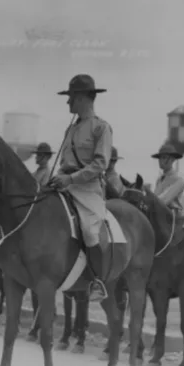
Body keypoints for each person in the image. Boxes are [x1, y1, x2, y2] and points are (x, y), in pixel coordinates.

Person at [49, 74, 113, 302]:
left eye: (72, 98)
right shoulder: (71, 129)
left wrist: (71, 179)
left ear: (85, 98)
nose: (68, 102)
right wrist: (58, 178)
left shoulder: (101, 128)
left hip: (88, 190)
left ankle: (97, 281)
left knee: (89, 231)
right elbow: (65, 163)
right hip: (65, 186)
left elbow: (100, 164)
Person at [151, 142, 184, 214]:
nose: (160, 161)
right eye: (160, 158)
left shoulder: (179, 181)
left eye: (164, 158)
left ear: (172, 159)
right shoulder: (159, 180)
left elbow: (164, 200)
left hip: (172, 219)